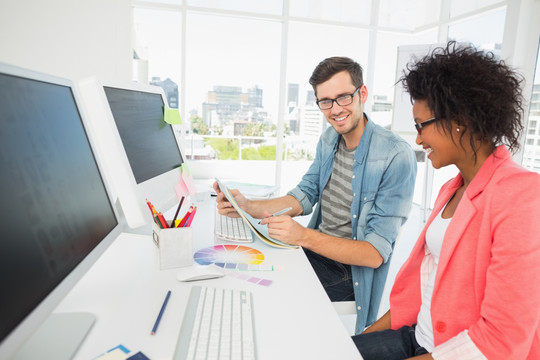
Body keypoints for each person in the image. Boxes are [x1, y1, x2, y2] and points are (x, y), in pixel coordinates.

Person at [352, 41, 540, 359]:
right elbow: (421, 290)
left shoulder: (523, 196)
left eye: (421, 126)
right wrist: (358, 341)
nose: (418, 138)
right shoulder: (450, 190)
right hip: (415, 338)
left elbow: (501, 339)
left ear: (460, 120)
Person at [213, 56, 417, 333]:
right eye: (326, 101)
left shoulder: (395, 154)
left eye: (344, 97)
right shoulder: (329, 139)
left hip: (349, 272)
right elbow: (303, 196)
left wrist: (302, 236)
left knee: (263, 293)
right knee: (246, 268)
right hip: (314, 250)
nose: (335, 109)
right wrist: (247, 206)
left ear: (362, 94)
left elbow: (374, 255)